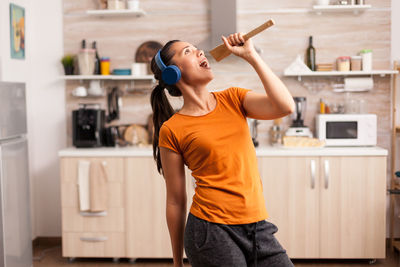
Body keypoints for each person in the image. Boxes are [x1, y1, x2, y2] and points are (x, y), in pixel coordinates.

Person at [150, 32, 295, 267]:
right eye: (187, 51)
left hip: (258, 227)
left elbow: (285, 106)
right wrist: (177, 262)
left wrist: (252, 56)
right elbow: (175, 201)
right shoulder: (172, 129)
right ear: (172, 73)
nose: (199, 52)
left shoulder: (234, 98)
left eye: (197, 48)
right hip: (210, 230)